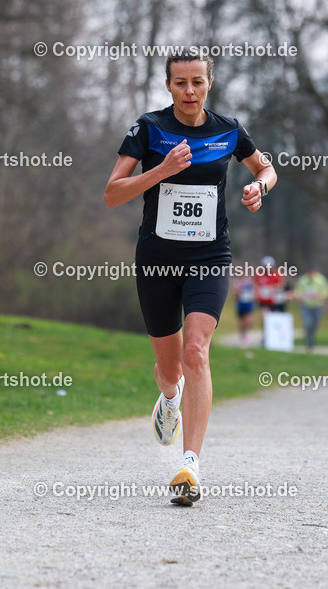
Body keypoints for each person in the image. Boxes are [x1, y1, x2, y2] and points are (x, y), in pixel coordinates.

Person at [104, 48, 276, 506]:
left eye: (197, 81)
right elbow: (112, 193)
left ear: (209, 83)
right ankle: (170, 397)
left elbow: (266, 166)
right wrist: (162, 170)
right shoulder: (149, 128)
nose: (189, 91)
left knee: (196, 351)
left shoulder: (229, 130)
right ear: (168, 86)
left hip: (209, 257)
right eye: (180, 82)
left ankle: (190, 465)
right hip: (157, 262)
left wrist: (259, 186)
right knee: (169, 370)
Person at [294, 264, 328, 352]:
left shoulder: (321, 280)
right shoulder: (303, 280)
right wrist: (300, 296)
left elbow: (326, 292)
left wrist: (319, 296)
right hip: (306, 305)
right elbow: (297, 291)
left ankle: (312, 337)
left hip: (317, 305)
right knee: (307, 323)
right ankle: (309, 341)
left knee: (315, 324)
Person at [232, 273, 255, 347]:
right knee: (241, 322)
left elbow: (255, 291)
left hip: (248, 304)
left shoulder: (250, 281)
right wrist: (238, 291)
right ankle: (242, 337)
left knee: (249, 319)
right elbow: (234, 295)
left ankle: (247, 333)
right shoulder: (237, 282)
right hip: (240, 304)